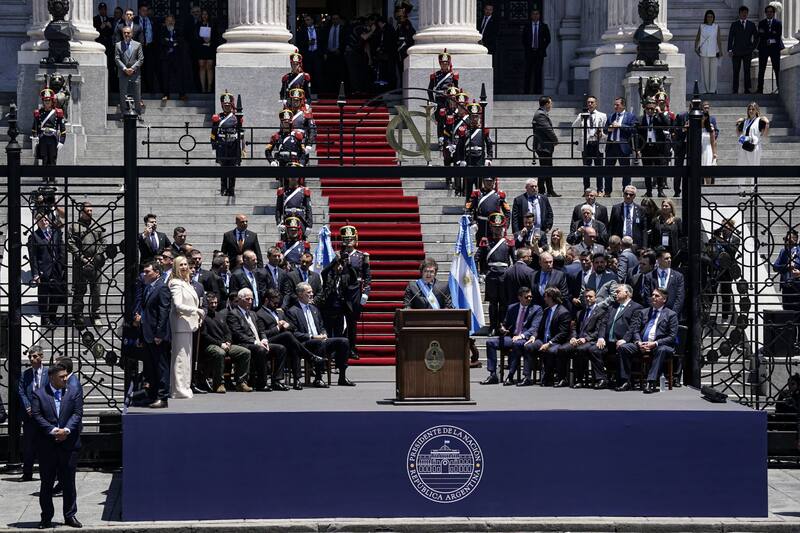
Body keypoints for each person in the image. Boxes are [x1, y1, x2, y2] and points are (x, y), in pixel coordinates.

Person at [30, 363, 83, 529]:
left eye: (66, 375)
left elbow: (77, 413)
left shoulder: (73, 392)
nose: (65, 378)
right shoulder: (39, 394)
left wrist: (66, 430)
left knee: (69, 483)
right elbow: (37, 416)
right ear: (52, 378)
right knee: (47, 483)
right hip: (48, 446)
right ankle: (46, 517)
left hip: (68, 445)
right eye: (61, 376)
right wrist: (53, 431)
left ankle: (70, 515)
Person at [286, 282, 355, 387]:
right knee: (319, 343)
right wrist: (312, 336)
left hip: (320, 340)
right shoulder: (292, 311)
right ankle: (318, 378)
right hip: (305, 343)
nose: (312, 294)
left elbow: (322, 326)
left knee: (344, 341)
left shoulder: (314, 309)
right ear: (300, 294)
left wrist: (324, 333)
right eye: (308, 292)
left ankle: (342, 376)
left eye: (312, 292)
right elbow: (294, 333)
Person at [616, 287, 679, 393]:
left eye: (657, 296)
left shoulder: (671, 314)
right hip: (642, 343)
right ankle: (625, 381)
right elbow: (636, 331)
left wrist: (654, 343)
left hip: (659, 345)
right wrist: (638, 342)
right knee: (623, 348)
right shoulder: (644, 312)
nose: (653, 297)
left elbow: (672, 337)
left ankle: (650, 382)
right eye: (652, 295)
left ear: (664, 299)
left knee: (661, 350)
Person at [227, 288, 288, 391]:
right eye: (247, 299)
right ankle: (261, 383)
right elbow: (238, 334)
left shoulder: (253, 313)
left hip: (258, 342)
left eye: (252, 299)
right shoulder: (233, 314)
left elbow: (261, 330)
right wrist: (256, 342)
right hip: (244, 343)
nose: (250, 302)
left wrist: (264, 339)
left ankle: (277, 380)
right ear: (240, 299)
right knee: (260, 350)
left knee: (280, 348)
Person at [482, 287, 543, 386]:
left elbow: (534, 328)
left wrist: (521, 336)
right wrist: (503, 328)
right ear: (520, 297)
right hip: (512, 337)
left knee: (517, 343)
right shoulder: (512, 308)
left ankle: (510, 375)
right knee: (490, 342)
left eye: (531, 297)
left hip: (526, 338)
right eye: (526, 297)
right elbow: (505, 324)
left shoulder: (537, 309)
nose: (529, 299)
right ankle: (493, 374)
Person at [589, 284, 642, 389]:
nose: (615, 294)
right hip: (608, 342)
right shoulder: (612, 306)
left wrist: (625, 340)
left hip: (622, 342)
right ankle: (602, 379)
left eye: (618, 291)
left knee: (622, 349)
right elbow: (603, 323)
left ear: (627, 293)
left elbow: (633, 327)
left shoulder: (636, 307)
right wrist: (601, 337)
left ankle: (624, 381)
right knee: (594, 350)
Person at [199, 292, 252, 393]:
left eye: (215, 303)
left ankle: (241, 383)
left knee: (245, 352)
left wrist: (228, 341)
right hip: (211, 345)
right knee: (220, 353)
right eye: (211, 303)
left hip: (225, 345)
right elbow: (205, 336)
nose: (214, 305)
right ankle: (218, 384)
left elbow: (228, 332)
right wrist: (220, 344)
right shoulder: (203, 317)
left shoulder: (220, 315)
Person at [167, 256, 204, 400]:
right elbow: (178, 305)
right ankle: (178, 389)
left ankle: (185, 387)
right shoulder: (175, 283)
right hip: (180, 324)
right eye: (180, 265)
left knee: (187, 359)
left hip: (188, 325)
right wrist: (197, 311)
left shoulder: (186, 282)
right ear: (175, 267)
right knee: (180, 358)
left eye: (185, 264)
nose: (184, 267)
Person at [138, 260, 172, 408]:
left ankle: (162, 397)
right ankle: (151, 395)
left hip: (157, 335)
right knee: (150, 367)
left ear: (157, 273)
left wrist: (160, 334)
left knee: (161, 367)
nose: (144, 274)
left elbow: (164, 312)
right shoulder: (148, 288)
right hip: (147, 334)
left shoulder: (162, 288)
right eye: (144, 272)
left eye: (148, 272)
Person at [67, 202, 105, 327]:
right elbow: (70, 243)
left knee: (96, 290)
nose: (90, 213)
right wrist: (82, 258)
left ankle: (96, 315)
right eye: (87, 211)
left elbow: (103, 242)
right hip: (80, 264)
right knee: (79, 290)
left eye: (91, 210)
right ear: (81, 212)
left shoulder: (97, 225)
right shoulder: (74, 226)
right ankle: (77, 315)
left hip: (96, 264)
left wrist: (94, 258)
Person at [523, 287, 571, 386]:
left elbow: (563, 333)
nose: (544, 299)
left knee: (550, 350)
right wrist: (534, 336)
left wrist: (549, 343)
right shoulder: (546, 311)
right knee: (528, 347)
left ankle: (549, 377)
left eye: (545, 297)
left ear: (551, 298)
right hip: (543, 339)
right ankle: (527, 377)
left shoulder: (563, 312)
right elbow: (539, 328)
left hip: (556, 341)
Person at [477, 212, 514, 334]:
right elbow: (477, 257)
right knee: (493, 303)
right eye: (495, 227)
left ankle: (502, 325)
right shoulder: (485, 241)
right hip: (491, 275)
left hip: (504, 275)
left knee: (504, 303)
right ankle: (492, 326)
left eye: (499, 227)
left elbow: (514, 260)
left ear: (503, 227)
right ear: (491, 227)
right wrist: (479, 273)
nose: (497, 229)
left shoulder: (508, 242)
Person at [561, 288, 606, 387]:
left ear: (596, 298)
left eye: (590, 296)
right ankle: (563, 378)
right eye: (586, 297)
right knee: (562, 349)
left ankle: (580, 379)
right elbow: (574, 328)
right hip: (578, 340)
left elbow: (598, 331)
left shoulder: (601, 312)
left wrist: (586, 339)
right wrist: (573, 337)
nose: (588, 298)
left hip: (591, 340)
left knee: (580, 350)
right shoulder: (580, 312)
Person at [27, 214, 66, 326]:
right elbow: (33, 257)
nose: (44, 222)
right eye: (41, 220)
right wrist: (35, 274)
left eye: (46, 220)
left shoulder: (56, 233)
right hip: (43, 270)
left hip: (56, 268)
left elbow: (61, 249)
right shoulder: (34, 236)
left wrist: (62, 265)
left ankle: (53, 315)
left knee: (56, 294)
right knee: (44, 295)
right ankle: (45, 318)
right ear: (37, 222)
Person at [339, 226, 371, 359]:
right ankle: (340, 348)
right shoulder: (338, 255)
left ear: (355, 240)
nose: (348, 242)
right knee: (340, 321)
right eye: (346, 239)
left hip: (355, 291)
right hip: (341, 291)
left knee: (352, 322)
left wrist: (366, 292)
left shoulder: (361, 256)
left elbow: (367, 276)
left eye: (350, 239)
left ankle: (352, 348)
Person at [18, 346, 47, 482]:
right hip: (29, 416)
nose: (31, 359)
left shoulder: (48, 373)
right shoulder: (26, 374)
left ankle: (47, 473)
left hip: (44, 414)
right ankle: (27, 473)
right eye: (30, 356)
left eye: (34, 356)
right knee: (28, 445)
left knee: (45, 446)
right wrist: (28, 406)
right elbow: (21, 391)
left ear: (41, 356)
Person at [453, 101, 493, 197]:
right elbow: (460, 146)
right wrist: (461, 159)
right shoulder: (465, 130)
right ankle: (468, 204)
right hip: (468, 159)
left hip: (480, 159)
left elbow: (489, 144)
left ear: (479, 117)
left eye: (476, 116)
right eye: (472, 116)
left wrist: (489, 158)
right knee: (468, 187)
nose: (474, 119)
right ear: (469, 118)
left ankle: (478, 204)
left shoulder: (483, 130)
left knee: (479, 187)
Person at [210, 91, 244, 197]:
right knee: (223, 168)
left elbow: (241, 131)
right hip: (222, 145)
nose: (227, 107)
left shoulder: (236, 117)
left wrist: (242, 145)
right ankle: (223, 188)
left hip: (233, 145)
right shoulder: (218, 117)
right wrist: (214, 145)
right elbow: (213, 133)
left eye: (229, 105)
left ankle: (231, 188)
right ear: (222, 105)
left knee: (233, 168)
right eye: (225, 105)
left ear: (232, 105)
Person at [635, 98, 670, 197]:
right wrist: (637, 149)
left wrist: (660, 113)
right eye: (648, 109)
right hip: (646, 147)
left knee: (659, 170)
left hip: (658, 147)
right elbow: (637, 135)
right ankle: (649, 191)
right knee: (647, 170)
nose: (650, 111)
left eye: (652, 109)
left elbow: (667, 125)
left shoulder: (658, 118)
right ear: (645, 108)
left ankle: (660, 190)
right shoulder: (640, 119)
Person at [31, 89, 66, 180]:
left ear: (52, 101)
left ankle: (52, 179)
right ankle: (44, 179)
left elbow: (62, 129)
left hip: (53, 139)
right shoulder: (39, 113)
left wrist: (61, 141)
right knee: (44, 159)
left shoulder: (57, 113)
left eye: (48, 100)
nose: (47, 102)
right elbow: (34, 127)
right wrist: (35, 136)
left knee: (52, 159)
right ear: (43, 101)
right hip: (43, 138)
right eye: (45, 100)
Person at [573, 95, 606, 192]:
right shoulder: (582, 115)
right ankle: (586, 190)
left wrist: (602, 134)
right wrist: (581, 118)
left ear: (596, 104)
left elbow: (605, 130)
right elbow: (574, 127)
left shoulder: (602, 115)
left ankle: (600, 190)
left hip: (597, 143)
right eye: (588, 102)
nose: (590, 104)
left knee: (599, 168)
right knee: (586, 168)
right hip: (586, 144)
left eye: (592, 102)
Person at [642, 247, 685, 317]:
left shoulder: (678, 276)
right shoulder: (649, 276)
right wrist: (654, 311)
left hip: (672, 314)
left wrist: (672, 314)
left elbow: (680, 297)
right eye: (666, 258)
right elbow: (647, 296)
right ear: (658, 260)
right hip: (654, 314)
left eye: (670, 258)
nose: (669, 260)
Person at [428, 50, 460, 144]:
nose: (444, 65)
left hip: (449, 101)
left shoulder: (453, 75)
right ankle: (440, 139)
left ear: (449, 63)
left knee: (450, 119)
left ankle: (449, 139)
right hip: (439, 101)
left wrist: (455, 101)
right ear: (440, 64)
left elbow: (456, 89)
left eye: (446, 63)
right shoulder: (435, 75)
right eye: (442, 63)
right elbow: (429, 90)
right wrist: (432, 101)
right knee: (440, 120)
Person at [466, 176, 511, 243]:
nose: (489, 183)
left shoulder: (500, 194)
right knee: (481, 244)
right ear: (483, 182)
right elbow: (468, 209)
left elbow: (507, 211)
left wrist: (505, 226)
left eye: (490, 181)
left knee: (494, 244)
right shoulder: (477, 193)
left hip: (495, 225)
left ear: (494, 182)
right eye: (487, 181)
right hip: (481, 225)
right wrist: (472, 223)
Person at [531, 96, 560, 196]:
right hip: (543, 146)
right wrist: (555, 140)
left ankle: (549, 190)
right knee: (544, 169)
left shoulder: (541, 113)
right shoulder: (540, 114)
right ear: (546, 104)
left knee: (547, 168)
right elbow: (548, 129)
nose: (551, 105)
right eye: (550, 103)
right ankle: (542, 190)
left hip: (545, 146)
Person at [728, 5, 758, 94]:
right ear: (739, 14)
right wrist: (730, 50)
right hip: (736, 51)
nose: (744, 14)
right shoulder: (734, 24)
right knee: (736, 71)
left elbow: (756, 37)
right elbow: (730, 37)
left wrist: (752, 48)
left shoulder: (751, 24)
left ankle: (747, 89)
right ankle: (735, 90)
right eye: (742, 13)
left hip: (747, 51)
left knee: (747, 70)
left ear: (747, 13)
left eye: (746, 13)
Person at [115, 25, 144, 115]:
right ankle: (124, 113)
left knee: (137, 94)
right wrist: (125, 69)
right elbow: (117, 59)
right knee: (123, 94)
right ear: (122, 34)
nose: (126, 34)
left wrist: (132, 68)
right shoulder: (118, 45)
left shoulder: (138, 44)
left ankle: (138, 113)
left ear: (132, 34)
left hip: (135, 73)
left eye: (128, 33)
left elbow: (141, 59)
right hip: (123, 72)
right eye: (125, 33)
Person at [159, 14, 187, 101]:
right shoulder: (162, 30)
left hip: (177, 57)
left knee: (179, 76)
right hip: (165, 57)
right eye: (168, 20)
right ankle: (166, 95)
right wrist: (173, 43)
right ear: (165, 22)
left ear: (174, 22)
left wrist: (169, 42)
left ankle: (182, 94)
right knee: (165, 76)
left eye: (171, 20)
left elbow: (181, 41)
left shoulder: (179, 30)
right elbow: (162, 41)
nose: (170, 22)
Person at [757, 4, 784, 94]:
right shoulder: (761, 23)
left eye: (771, 12)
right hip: (763, 48)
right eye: (768, 12)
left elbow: (778, 36)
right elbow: (760, 35)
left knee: (777, 68)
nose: (769, 13)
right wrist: (771, 35)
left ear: (774, 13)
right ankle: (760, 89)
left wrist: (770, 39)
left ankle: (780, 88)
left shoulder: (778, 23)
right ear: (765, 13)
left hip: (774, 49)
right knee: (761, 69)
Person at [522, 9, 550, 94]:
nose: (535, 16)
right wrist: (528, 48)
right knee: (528, 72)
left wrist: (542, 48)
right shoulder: (527, 26)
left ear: (539, 15)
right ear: (531, 16)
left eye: (537, 14)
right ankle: (526, 91)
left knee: (538, 72)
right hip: (529, 52)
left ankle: (537, 91)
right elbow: (523, 39)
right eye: (533, 14)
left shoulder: (544, 26)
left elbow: (548, 39)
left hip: (539, 53)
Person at [695, 10, 722, 94]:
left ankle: (712, 90)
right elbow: (698, 38)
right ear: (705, 18)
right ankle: (704, 90)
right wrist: (696, 48)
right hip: (704, 51)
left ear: (713, 18)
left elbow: (718, 39)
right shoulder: (702, 26)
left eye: (711, 17)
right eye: (708, 16)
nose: (710, 18)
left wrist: (720, 50)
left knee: (713, 72)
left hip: (714, 51)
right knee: (704, 72)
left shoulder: (716, 27)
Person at [296, 14, 322, 94]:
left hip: (316, 53)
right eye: (305, 20)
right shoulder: (302, 30)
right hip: (307, 54)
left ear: (312, 20)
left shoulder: (318, 29)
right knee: (308, 72)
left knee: (317, 72)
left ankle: (317, 90)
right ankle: (307, 90)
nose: (307, 22)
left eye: (308, 20)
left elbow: (323, 41)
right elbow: (299, 42)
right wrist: (307, 43)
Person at [194, 9, 218, 93]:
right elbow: (195, 36)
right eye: (203, 14)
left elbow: (216, 36)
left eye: (206, 14)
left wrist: (210, 40)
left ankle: (209, 87)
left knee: (209, 66)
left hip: (210, 48)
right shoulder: (198, 25)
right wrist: (202, 39)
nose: (204, 16)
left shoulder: (212, 24)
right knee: (202, 66)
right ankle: (203, 88)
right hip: (201, 48)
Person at [323, 15, 346, 94]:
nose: (335, 20)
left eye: (336, 19)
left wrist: (340, 50)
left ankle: (339, 90)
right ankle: (330, 90)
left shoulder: (343, 28)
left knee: (340, 72)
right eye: (333, 19)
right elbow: (324, 40)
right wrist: (325, 52)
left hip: (339, 53)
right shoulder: (328, 28)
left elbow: (344, 40)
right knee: (330, 72)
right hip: (329, 53)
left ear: (339, 19)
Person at [701, 110, 718, 184]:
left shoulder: (710, 127)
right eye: (702, 116)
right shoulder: (696, 127)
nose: (703, 118)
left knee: (707, 169)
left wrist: (714, 153)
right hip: (699, 150)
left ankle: (708, 186)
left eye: (705, 116)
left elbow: (713, 141)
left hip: (708, 150)